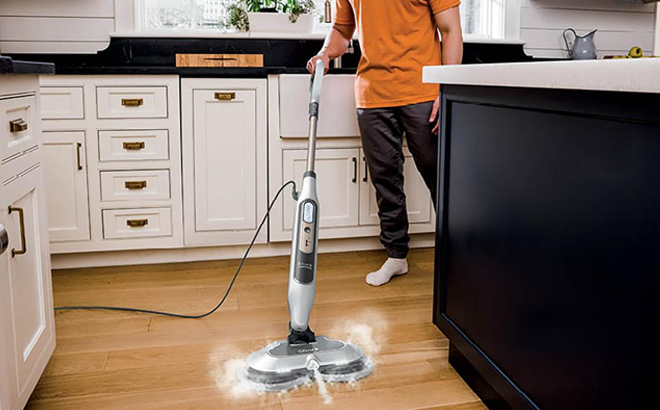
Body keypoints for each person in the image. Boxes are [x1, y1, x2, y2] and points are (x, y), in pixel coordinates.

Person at [307, 0, 463, 286]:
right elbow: (342, 31)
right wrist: (324, 54)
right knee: (385, 179)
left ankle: (463, 256)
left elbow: (451, 29)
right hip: (373, 94)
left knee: (440, 175)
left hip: (423, 91)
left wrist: (447, 87)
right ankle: (396, 255)